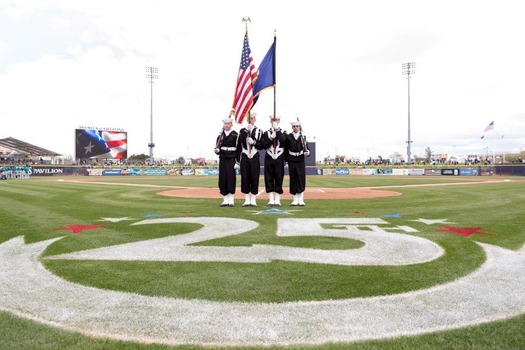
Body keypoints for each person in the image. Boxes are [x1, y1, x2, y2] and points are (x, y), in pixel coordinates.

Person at [237, 112, 263, 206]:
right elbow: (240, 141)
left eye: (252, 118)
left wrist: (254, 142)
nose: (250, 120)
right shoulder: (242, 130)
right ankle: (247, 199)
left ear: (255, 119)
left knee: (254, 177)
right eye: (249, 119)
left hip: (254, 156)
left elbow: (261, 146)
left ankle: (253, 199)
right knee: (245, 177)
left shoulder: (259, 131)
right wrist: (245, 132)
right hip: (245, 156)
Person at [260, 115, 287, 206]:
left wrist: (277, 131)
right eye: (273, 120)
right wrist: (271, 137)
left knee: (279, 178)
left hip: (279, 157)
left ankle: (278, 200)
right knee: (269, 178)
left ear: (279, 120)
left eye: (276, 120)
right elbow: (264, 146)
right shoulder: (266, 133)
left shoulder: (283, 132)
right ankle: (271, 199)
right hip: (269, 157)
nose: (274, 121)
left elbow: (283, 141)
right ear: (270, 121)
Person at [285, 119, 310, 206]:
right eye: (294, 126)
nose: (296, 128)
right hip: (291, 159)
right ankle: (295, 199)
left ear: (299, 127)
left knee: (301, 178)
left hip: (300, 159)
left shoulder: (303, 137)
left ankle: (301, 199)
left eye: (297, 126)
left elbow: (307, 148)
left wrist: (307, 152)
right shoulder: (288, 137)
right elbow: (286, 149)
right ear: (292, 127)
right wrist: (286, 161)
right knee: (293, 178)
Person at [214, 116, 238, 206]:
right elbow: (218, 147)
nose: (227, 125)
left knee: (231, 178)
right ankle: (225, 199)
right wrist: (217, 151)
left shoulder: (235, 135)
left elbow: (238, 149)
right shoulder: (220, 136)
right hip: (223, 158)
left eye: (228, 124)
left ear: (231, 124)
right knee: (223, 178)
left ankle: (231, 199)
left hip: (231, 158)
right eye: (225, 124)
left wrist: (237, 161)